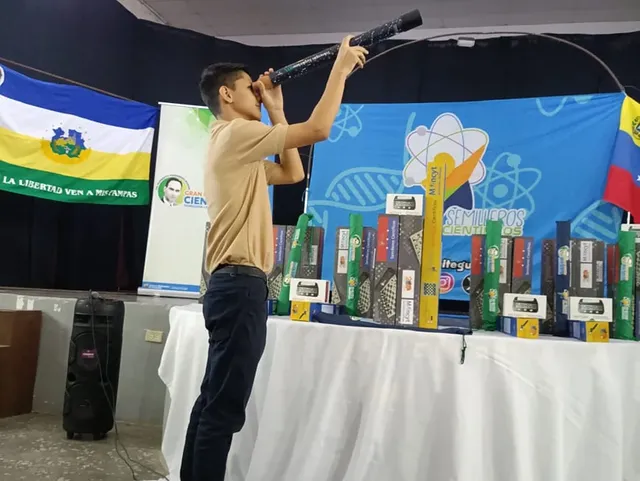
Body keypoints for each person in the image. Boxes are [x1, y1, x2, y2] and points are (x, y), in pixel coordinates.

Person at [180, 35, 368, 481]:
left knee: (213, 400)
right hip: (238, 285)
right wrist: (340, 70)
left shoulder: (233, 144)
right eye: (250, 88)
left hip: (232, 286)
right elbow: (319, 130)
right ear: (226, 95)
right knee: (223, 408)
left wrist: (278, 109)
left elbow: (292, 172)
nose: (258, 94)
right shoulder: (236, 134)